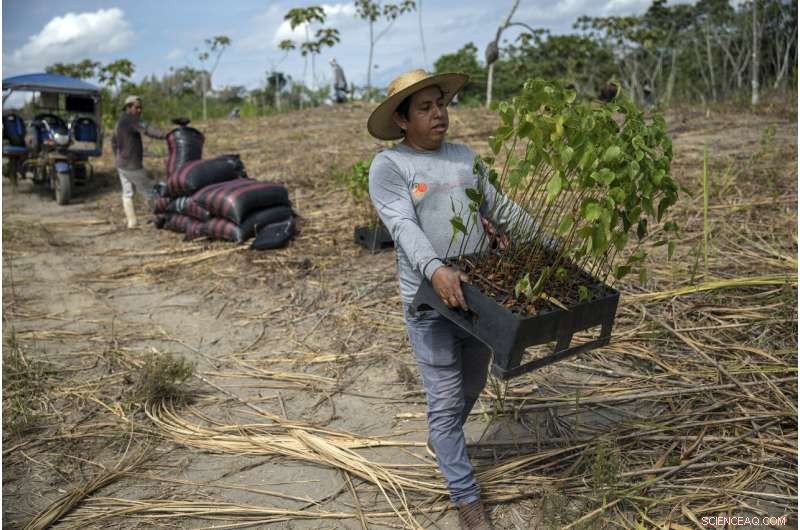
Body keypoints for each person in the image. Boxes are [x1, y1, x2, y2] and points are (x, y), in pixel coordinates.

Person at [367, 69, 508, 530]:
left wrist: (548, 249)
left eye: (440, 104)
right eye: (424, 108)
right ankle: (467, 500)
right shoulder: (391, 166)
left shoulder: (466, 157)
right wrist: (437, 270)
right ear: (403, 120)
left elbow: (502, 209)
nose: (438, 114)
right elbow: (403, 227)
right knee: (447, 399)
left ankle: (442, 438)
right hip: (430, 302)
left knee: (472, 388)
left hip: (480, 298)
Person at [111, 95, 166, 228]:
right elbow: (147, 129)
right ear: (128, 107)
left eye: (141, 107)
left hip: (121, 164)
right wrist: (166, 135)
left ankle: (132, 222)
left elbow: (113, 142)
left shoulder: (120, 122)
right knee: (150, 190)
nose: (140, 110)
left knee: (127, 193)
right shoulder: (131, 119)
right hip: (131, 166)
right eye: (137, 107)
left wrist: (119, 157)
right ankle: (160, 217)